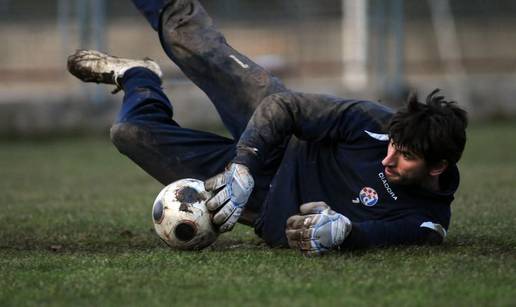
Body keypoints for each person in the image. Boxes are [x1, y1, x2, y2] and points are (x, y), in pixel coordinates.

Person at [67, 0, 468, 256]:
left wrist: (343, 233)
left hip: (262, 203)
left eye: (406, 157)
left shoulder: (426, 221)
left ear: (437, 166)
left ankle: (139, 77)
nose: (388, 157)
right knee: (186, 39)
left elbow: (373, 237)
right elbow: (286, 105)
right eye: (393, 145)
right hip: (275, 131)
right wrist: (243, 165)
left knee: (129, 135)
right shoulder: (373, 121)